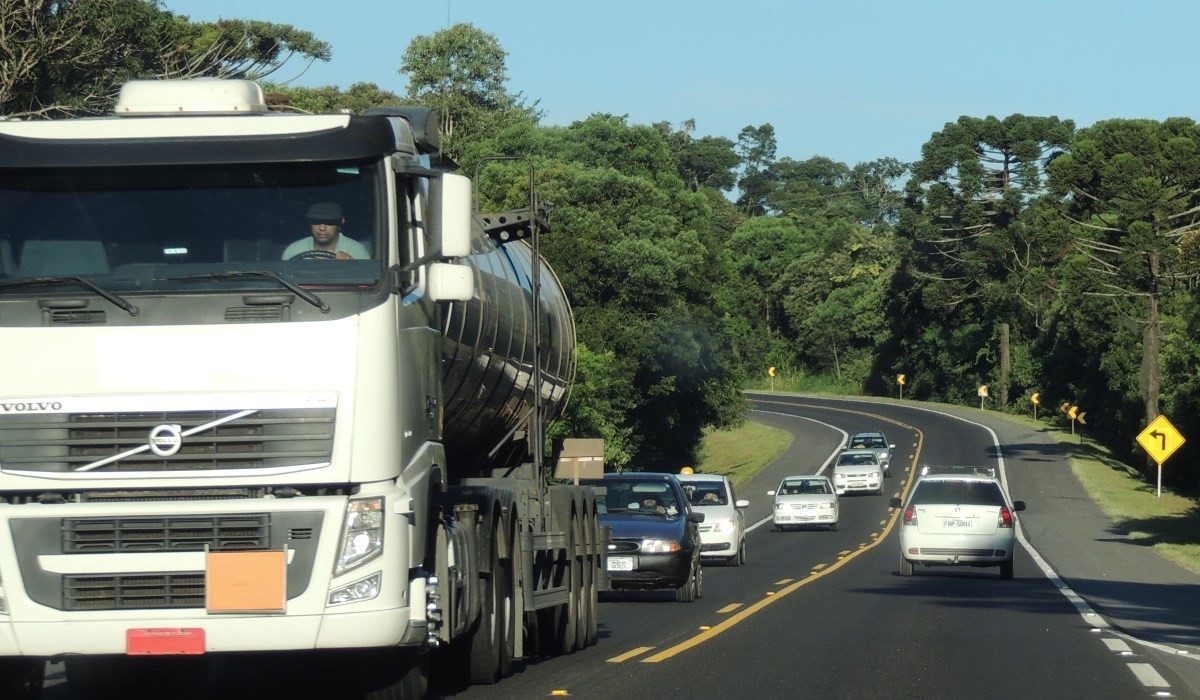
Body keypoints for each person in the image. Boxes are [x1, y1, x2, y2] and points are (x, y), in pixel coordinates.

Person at [281, 202, 370, 260]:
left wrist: (354, 267)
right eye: (316, 222)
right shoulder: (294, 250)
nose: (322, 228)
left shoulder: (357, 251)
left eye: (329, 222)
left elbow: (369, 284)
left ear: (341, 222)